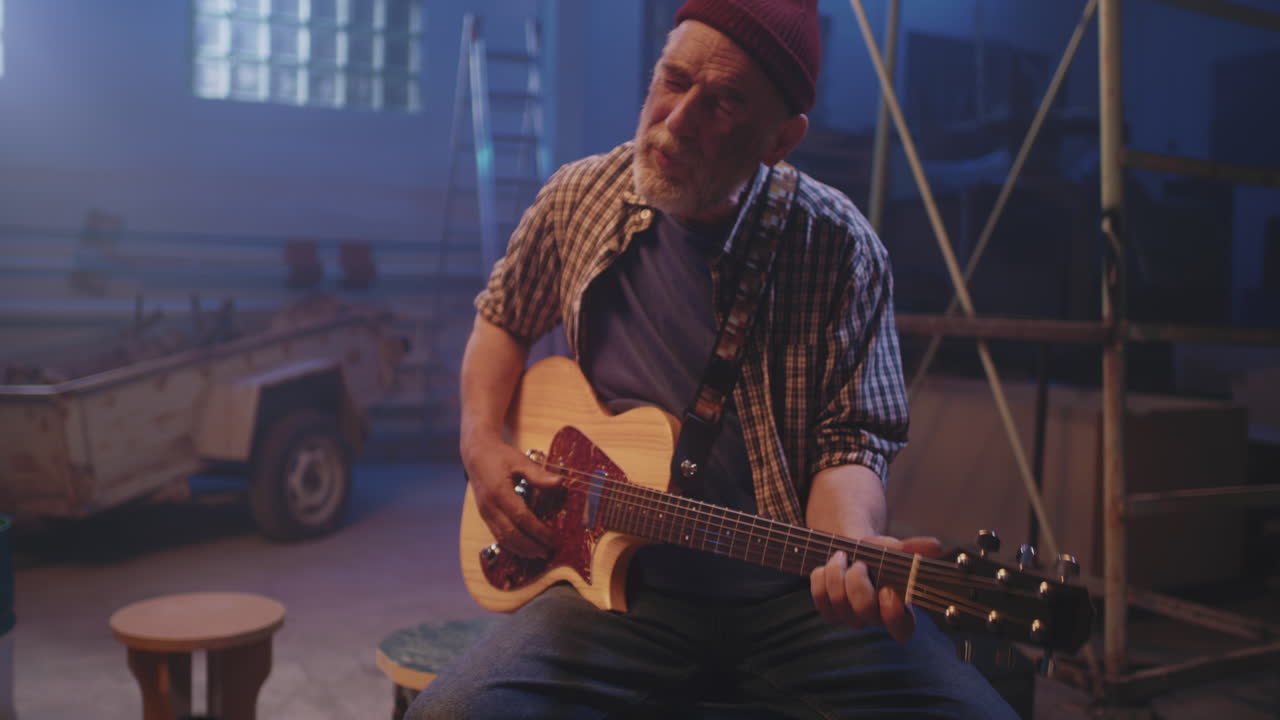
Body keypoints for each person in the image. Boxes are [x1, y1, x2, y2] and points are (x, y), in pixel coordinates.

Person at [409, 0, 1017, 716]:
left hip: (793, 606)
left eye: (723, 102)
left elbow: (852, 445)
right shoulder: (578, 198)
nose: (676, 120)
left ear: (780, 139)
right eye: (672, 79)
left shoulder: (842, 251)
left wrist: (850, 549)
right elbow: (502, 320)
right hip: (619, 600)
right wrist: (480, 442)